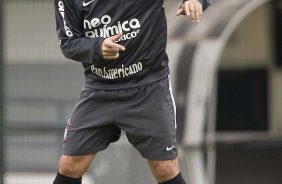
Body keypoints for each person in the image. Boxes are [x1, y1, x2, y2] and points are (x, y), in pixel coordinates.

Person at [53, 0, 211, 183]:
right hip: (99, 89)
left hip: (148, 89)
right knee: (69, 165)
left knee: (165, 167)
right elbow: (68, 43)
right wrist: (96, 47)